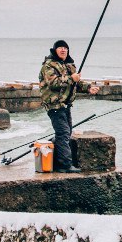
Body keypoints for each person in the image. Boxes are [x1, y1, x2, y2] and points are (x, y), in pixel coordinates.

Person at [39, 40, 80, 173]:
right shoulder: (48, 65)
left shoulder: (69, 65)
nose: (63, 50)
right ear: (55, 50)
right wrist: (71, 79)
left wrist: (89, 88)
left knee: (66, 133)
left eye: (65, 48)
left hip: (65, 105)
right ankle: (65, 165)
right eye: (60, 48)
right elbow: (54, 83)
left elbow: (75, 82)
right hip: (54, 105)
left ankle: (57, 161)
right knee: (63, 133)